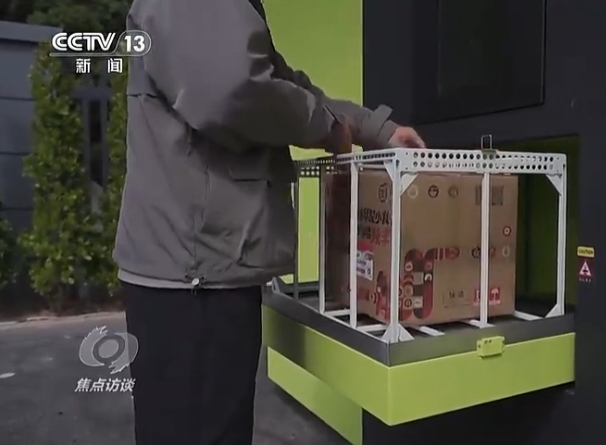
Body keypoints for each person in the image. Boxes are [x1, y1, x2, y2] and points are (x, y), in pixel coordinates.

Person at [116, 0, 425, 443]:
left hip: (201, 265)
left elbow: (275, 79)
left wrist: (369, 127)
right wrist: (327, 127)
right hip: (195, 274)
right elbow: (232, 90)